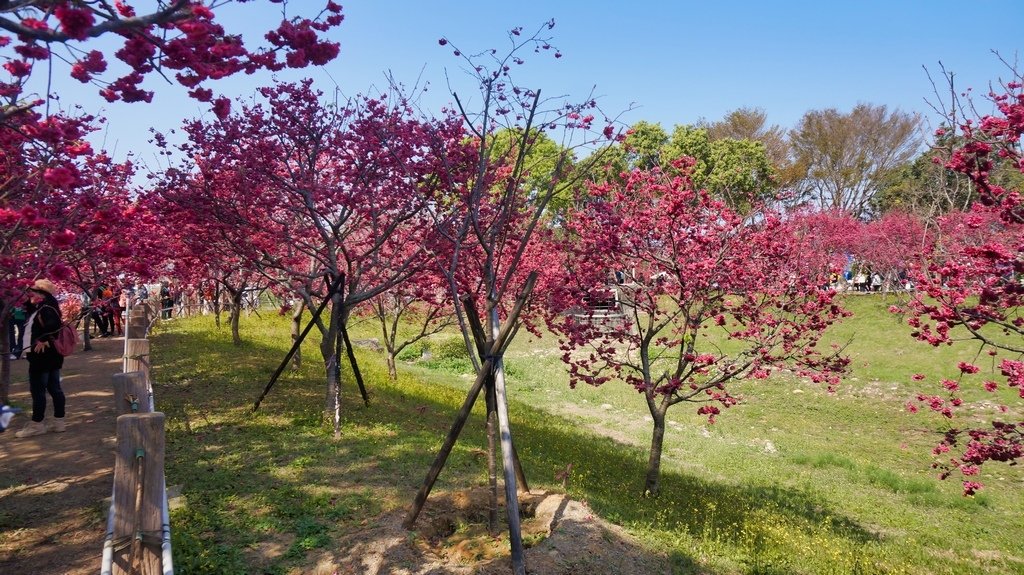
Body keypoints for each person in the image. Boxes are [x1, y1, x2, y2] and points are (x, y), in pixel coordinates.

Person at [15, 279, 68, 438]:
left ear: (41, 293)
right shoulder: (44, 307)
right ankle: (58, 422)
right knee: (54, 388)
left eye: (33, 292)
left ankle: (37, 424)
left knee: (38, 390)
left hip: (42, 356)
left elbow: (53, 325)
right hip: (51, 357)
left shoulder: (46, 308)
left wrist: (43, 339)